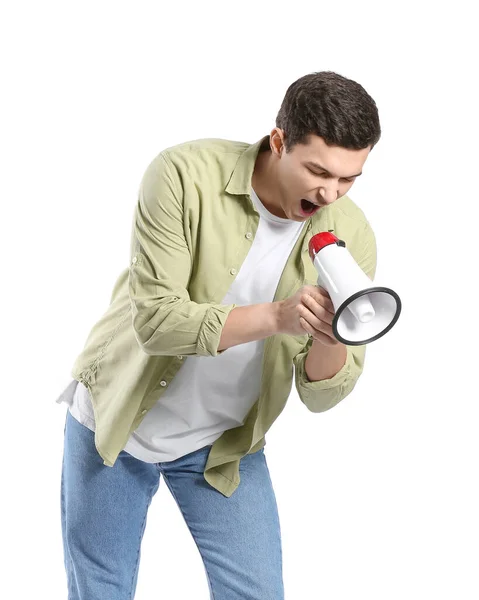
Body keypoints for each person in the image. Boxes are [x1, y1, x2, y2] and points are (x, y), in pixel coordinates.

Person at [56, 70, 380, 599]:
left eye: (348, 178)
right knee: (101, 589)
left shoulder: (353, 232)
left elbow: (322, 395)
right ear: (279, 141)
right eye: (318, 171)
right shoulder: (182, 173)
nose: (330, 192)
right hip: (115, 416)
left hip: (222, 444)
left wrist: (330, 335)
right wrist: (279, 316)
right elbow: (157, 323)